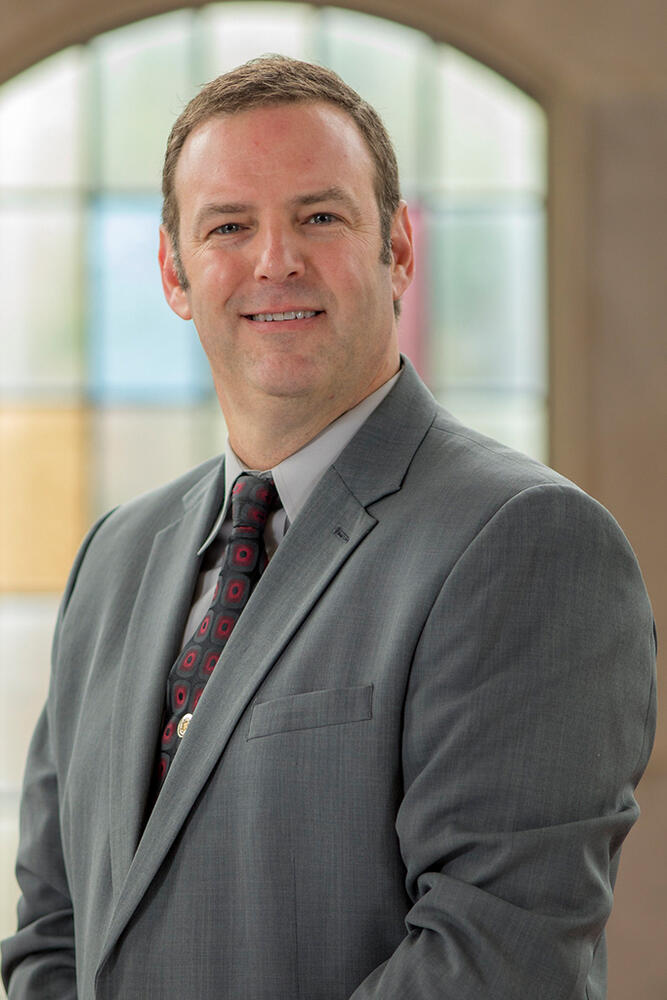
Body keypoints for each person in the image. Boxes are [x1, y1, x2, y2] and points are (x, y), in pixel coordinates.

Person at [1, 55, 656, 1000]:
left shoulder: (529, 543)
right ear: (174, 271)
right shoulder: (117, 557)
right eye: (229, 225)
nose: (276, 260)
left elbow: (495, 962)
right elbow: (53, 929)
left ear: (397, 251)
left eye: (319, 216)